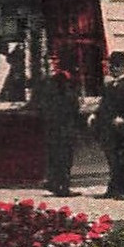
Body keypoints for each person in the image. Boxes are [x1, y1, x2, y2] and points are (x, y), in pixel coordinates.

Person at [95, 51, 124, 200]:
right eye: (111, 66)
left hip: (123, 130)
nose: (113, 69)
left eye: (117, 66)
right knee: (113, 159)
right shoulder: (108, 87)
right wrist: (95, 116)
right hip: (109, 129)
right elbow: (104, 106)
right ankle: (113, 189)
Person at [37, 68, 83, 197]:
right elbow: (76, 113)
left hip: (53, 131)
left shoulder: (49, 97)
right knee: (66, 160)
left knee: (54, 158)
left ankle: (53, 182)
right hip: (67, 132)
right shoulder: (71, 96)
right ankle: (64, 186)